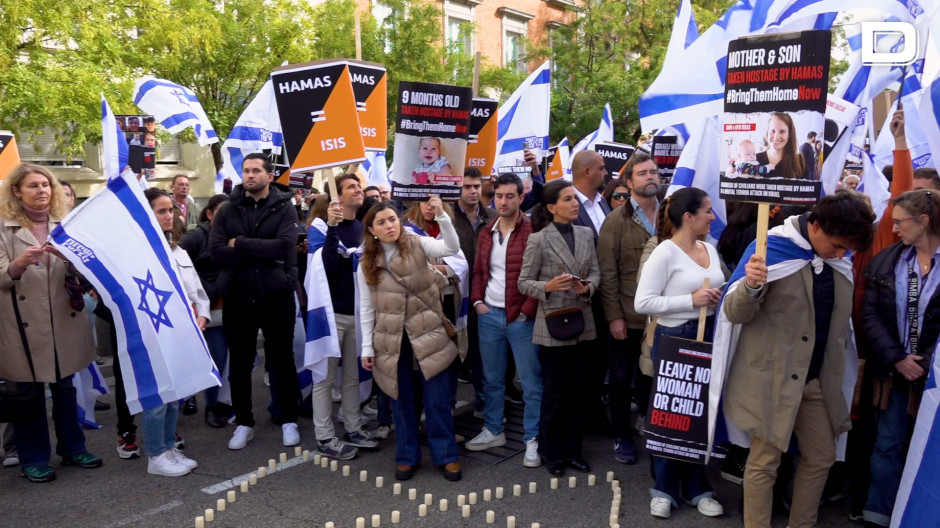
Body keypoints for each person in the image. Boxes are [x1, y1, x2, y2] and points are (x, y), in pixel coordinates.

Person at [720, 191, 876, 528]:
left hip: (819, 379)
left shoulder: (837, 258)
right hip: (773, 378)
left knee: (821, 457)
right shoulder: (770, 248)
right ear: (816, 226)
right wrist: (750, 285)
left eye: (846, 249)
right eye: (838, 245)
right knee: (764, 461)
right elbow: (733, 313)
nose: (842, 253)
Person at [0, 163, 102, 483]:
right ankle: (33, 457)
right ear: (17, 191)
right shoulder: (4, 228)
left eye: (46, 185)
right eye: (33, 186)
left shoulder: (66, 225)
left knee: (65, 388)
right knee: (27, 395)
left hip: (63, 321)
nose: (42, 191)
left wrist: (73, 260)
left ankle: (73, 448)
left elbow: (90, 268)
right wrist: (20, 262)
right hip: (22, 326)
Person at [634, 187, 725, 519]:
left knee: (699, 416)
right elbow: (642, 303)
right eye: (708, 211)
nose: (713, 217)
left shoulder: (710, 249)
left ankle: (698, 488)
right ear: (689, 217)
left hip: (709, 336)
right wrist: (691, 301)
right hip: (674, 336)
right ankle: (663, 488)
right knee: (672, 415)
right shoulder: (664, 252)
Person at [357, 198, 462, 482]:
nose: (389, 225)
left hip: (429, 331)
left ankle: (447, 456)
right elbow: (366, 309)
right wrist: (367, 347)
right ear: (372, 230)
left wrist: (442, 217)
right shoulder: (365, 263)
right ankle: (406, 456)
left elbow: (451, 248)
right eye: (381, 222)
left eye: (393, 219)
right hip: (391, 339)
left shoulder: (417, 243)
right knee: (400, 400)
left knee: (437, 398)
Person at [209, 152, 301, 451]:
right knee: (240, 363)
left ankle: (289, 419)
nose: (250, 175)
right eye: (246, 171)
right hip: (238, 295)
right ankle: (244, 422)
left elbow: (285, 246)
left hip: (276, 295)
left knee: (282, 359)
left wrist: (243, 244)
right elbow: (218, 251)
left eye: (256, 171)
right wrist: (262, 249)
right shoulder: (226, 210)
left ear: (269, 175)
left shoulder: (285, 207)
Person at [860, 190, 940, 527]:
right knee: (887, 445)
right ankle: (879, 514)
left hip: (934, 377)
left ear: (923, 222)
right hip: (893, 372)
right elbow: (870, 316)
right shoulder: (889, 260)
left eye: (899, 222)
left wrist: (928, 362)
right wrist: (898, 359)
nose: (894, 230)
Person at [518, 179, 600, 477]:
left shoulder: (586, 233)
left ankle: (573, 451)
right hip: (553, 322)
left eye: (575, 198)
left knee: (579, 391)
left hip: (583, 317)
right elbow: (523, 282)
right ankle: (551, 453)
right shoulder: (539, 239)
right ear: (552, 208)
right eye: (567, 199)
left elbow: (594, 271)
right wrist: (548, 286)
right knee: (554, 392)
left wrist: (587, 287)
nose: (575, 203)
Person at [466, 174, 542, 468]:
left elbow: (541, 273)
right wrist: (477, 302)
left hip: (520, 317)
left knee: (532, 383)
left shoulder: (532, 229)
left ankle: (532, 438)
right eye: (499, 196)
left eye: (510, 196)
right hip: (490, 315)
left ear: (522, 198)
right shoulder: (487, 231)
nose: (503, 201)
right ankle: (494, 429)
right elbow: (478, 272)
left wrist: (527, 310)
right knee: (492, 379)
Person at [139, 188, 208, 477]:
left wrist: (202, 314)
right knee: (157, 397)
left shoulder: (176, 249)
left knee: (173, 394)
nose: (170, 216)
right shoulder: (137, 252)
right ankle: (155, 454)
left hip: (182, 333)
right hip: (155, 334)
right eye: (161, 211)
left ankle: (168, 446)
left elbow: (195, 289)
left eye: (171, 210)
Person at [598, 153, 660, 465]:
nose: (650, 177)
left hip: (663, 317)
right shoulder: (615, 222)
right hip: (629, 316)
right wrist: (615, 317)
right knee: (621, 380)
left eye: (654, 171)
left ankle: (651, 428)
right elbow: (607, 274)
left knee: (653, 378)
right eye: (643, 173)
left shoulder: (672, 215)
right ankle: (622, 436)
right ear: (628, 181)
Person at [309, 174, 377, 460]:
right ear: (336, 194)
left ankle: (352, 426)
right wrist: (333, 229)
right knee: (324, 378)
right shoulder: (320, 227)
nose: (358, 190)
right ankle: (324, 435)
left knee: (352, 375)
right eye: (351, 186)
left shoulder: (363, 228)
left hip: (357, 313)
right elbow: (324, 266)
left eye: (359, 186)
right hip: (331, 314)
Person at [179, 194, 232, 428]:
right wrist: (199, 292)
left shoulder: (235, 234)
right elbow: (175, 262)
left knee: (233, 360)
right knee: (214, 359)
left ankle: (224, 403)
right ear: (209, 214)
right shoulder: (195, 237)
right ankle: (209, 406)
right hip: (207, 312)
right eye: (222, 213)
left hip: (233, 307)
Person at [453, 167, 497, 416]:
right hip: (454, 297)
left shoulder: (492, 217)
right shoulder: (446, 216)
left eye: (476, 186)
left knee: (484, 356)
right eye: (467, 186)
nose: (472, 191)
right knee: (452, 354)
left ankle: (484, 405)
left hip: (484, 295)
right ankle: (447, 407)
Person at [756, 112, 806, 179]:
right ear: (767, 132)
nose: (776, 137)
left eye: (782, 131)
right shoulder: (754, 160)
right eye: (773, 131)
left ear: (789, 134)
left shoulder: (799, 162)